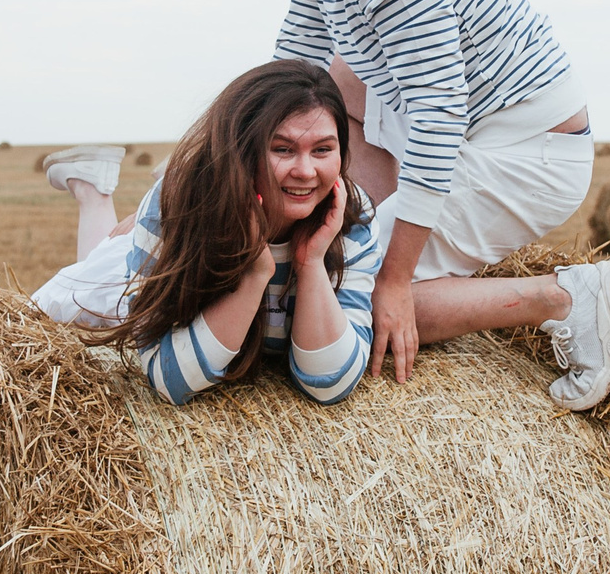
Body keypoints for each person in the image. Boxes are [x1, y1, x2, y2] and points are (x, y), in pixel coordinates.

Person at [201, 0, 610, 412]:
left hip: (524, 150)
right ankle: (363, 228)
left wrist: (395, 279)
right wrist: (196, 188)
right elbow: (284, 80)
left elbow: (439, 115)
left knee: (344, 293)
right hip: (465, 124)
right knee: (322, 85)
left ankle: (567, 298)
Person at [32, 60, 381, 406]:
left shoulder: (351, 216)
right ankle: (91, 188)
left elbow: (330, 385)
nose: (305, 171)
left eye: (322, 149)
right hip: (118, 282)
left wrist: (311, 262)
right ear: (242, 150)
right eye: (282, 149)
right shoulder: (174, 208)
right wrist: (256, 272)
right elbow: (167, 379)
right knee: (64, 301)